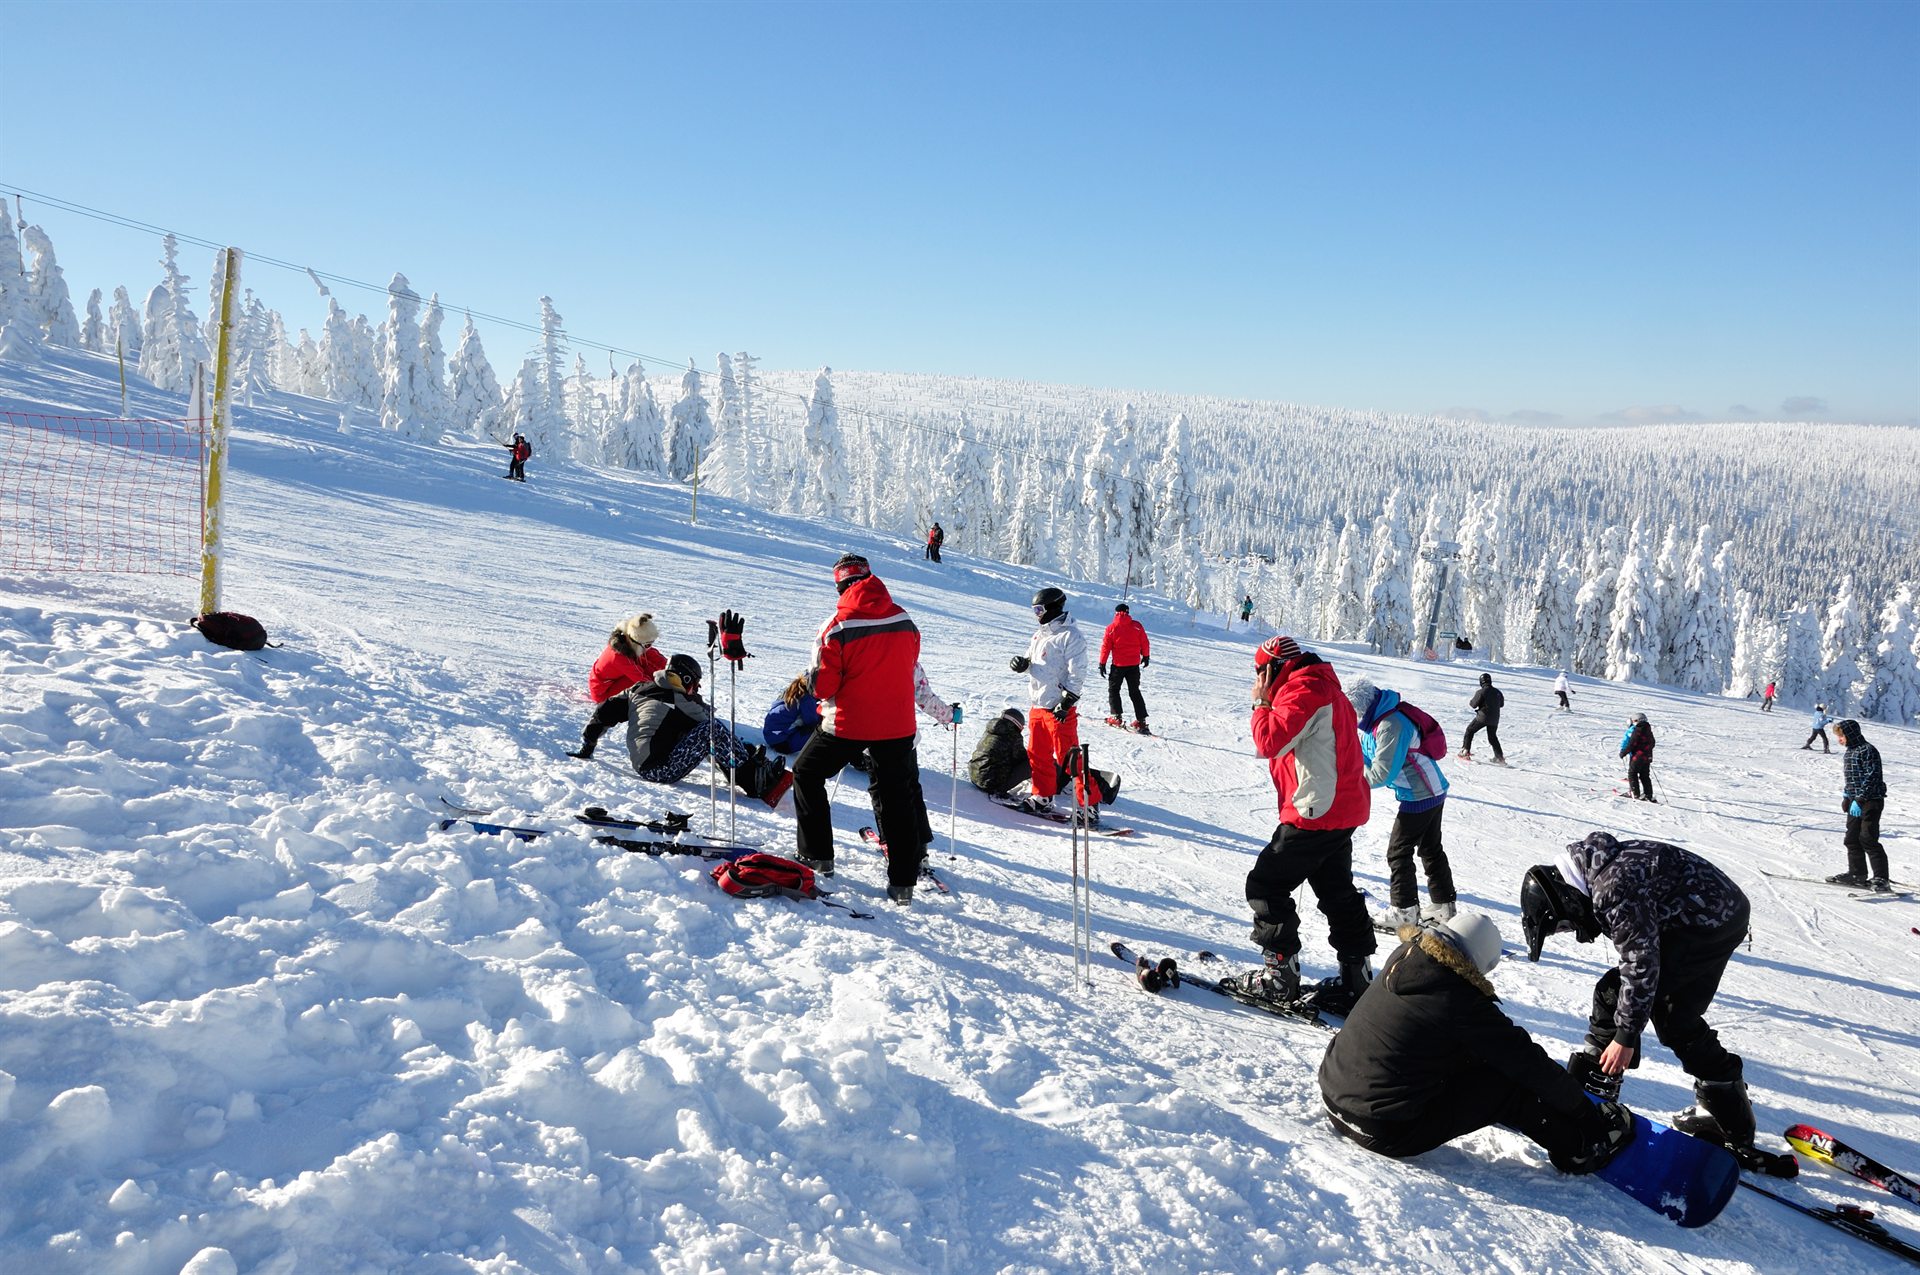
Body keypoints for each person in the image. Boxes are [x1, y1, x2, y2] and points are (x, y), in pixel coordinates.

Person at [1318, 911, 1634, 1175]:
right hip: (1383, 1128)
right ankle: (1579, 1149)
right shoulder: (1458, 999)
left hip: (1335, 1094)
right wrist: (1583, 1113)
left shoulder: (1406, 957)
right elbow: (1526, 1061)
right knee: (1506, 1084)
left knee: (1475, 1054)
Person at [1521, 832, 1756, 1154]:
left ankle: (1590, 1108)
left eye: (1565, 925)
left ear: (1565, 898)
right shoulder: (1598, 871)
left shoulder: (1612, 889)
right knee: (1676, 1018)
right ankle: (1728, 1116)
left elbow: (1641, 964)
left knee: (1613, 992)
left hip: (1705, 923)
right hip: (1718, 915)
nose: (1575, 932)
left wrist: (1625, 1037)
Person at [792, 553, 937, 905]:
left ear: (840, 585)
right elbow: (909, 666)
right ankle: (903, 882)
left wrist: (811, 679)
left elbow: (824, 687)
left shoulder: (837, 626)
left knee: (807, 773)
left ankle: (817, 855)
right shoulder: (904, 619)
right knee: (897, 797)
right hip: (898, 726)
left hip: (849, 724)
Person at [1241, 634, 1374, 1012]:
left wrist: (1260, 703)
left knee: (1266, 885)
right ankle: (1357, 978)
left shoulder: (1304, 690)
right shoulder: (1323, 685)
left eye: (1259, 671)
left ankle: (1279, 979)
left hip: (1316, 813)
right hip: (1340, 810)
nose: (1258, 679)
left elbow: (1269, 741)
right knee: (1336, 890)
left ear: (1272, 669)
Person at [1344, 677, 1455, 928]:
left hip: (1422, 794)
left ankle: (1404, 912)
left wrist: (1348, 779)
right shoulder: (1374, 722)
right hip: (1427, 790)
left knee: (1398, 852)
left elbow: (1382, 774)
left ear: (1360, 708)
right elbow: (1365, 756)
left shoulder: (1390, 724)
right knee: (1429, 848)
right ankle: (1443, 906)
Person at [624, 654, 791, 807]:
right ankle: (756, 781)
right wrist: (743, 752)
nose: (696, 689)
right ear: (686, 679)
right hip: (659, 770)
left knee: (702, 732)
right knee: (711, 730)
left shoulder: (639, 689)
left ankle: (745, 769)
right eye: (695, 684)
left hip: (646, 764)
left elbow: (611, 708)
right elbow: (713, 732)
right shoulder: (680, 701)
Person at [1008, 586, 1097, 823]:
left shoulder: (1071, 636)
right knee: (1037, 755)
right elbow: (1031, 660)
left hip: (1059, 708)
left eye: (1039, 609)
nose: (1036, 614)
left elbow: (1078, 671)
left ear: (1053, 607)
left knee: (1070, 759)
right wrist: (1022, 664)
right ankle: (1042, 796)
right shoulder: (1039, 635)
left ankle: (1089, 805)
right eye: (1034, 610)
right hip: (1038, 704)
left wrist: (1068, 700)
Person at [568, 613, 666, 759]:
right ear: (636, 641)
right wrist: (666, 688)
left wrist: (673, 671)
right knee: (645, 683)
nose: (649, 648)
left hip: (618, 678)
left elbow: (654, 656)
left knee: (649, 664)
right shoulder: (619, 657)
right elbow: (642, 681)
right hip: (603, 691)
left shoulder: (630, 641)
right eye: (647, 645)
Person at [1828, 718, 1891, 891]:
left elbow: (1872, 777)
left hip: (1871, 800)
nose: (1839, 740)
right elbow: (1852, 778)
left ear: (1851, 734)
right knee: (1851, 838)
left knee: (1867, 838)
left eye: (1841, 736)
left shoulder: (1868, 750)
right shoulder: (1850, 752)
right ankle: (1857, 874)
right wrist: (1847, 796)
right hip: (1855, 800)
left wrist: (1860, 799)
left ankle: (1881, 878)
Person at [1098, 602, 1152, 734]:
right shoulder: (1137, 626)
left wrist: (1102, 663)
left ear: (1116, 613)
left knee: (1114, 690)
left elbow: (1106, 647)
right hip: (1133, 665)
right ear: (1128, 612)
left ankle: (1116, 717)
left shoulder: (1111, 628)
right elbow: (1144, 642)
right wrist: (1146, 656)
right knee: (1135, 691)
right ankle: (1141, 721)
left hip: (1118, 666)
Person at [969, 708, 1032, 796]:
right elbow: (1021, 758)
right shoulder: (1013, 735)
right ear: (1017, 723)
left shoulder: (990, 731)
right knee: (1030, 764)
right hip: (990, 784)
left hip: (975, 776)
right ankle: (1043, 786)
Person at [1459, 672, 1505, 764]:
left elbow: (1473, 704)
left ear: (1481, 682)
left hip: (1483, 717)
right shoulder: (1498, 692)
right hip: (1494, 719)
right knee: (1492, 737)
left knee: (1470, 730)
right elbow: (1501, 704)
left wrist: (1473, 701)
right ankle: (1499, 758)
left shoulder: (1481, 692)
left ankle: (1465, 751)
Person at [1619, 712, 1656, 802]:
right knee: (1644, 775)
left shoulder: (1638, 730)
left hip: (1638, 756)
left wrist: (1624, 752)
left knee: (1632, 773)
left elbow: (1632, 743)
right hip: (1647, 756)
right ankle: (1648, 795)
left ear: (1636, 721)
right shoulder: (1648, 730)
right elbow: (1652, 743)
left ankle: (1634, 793)